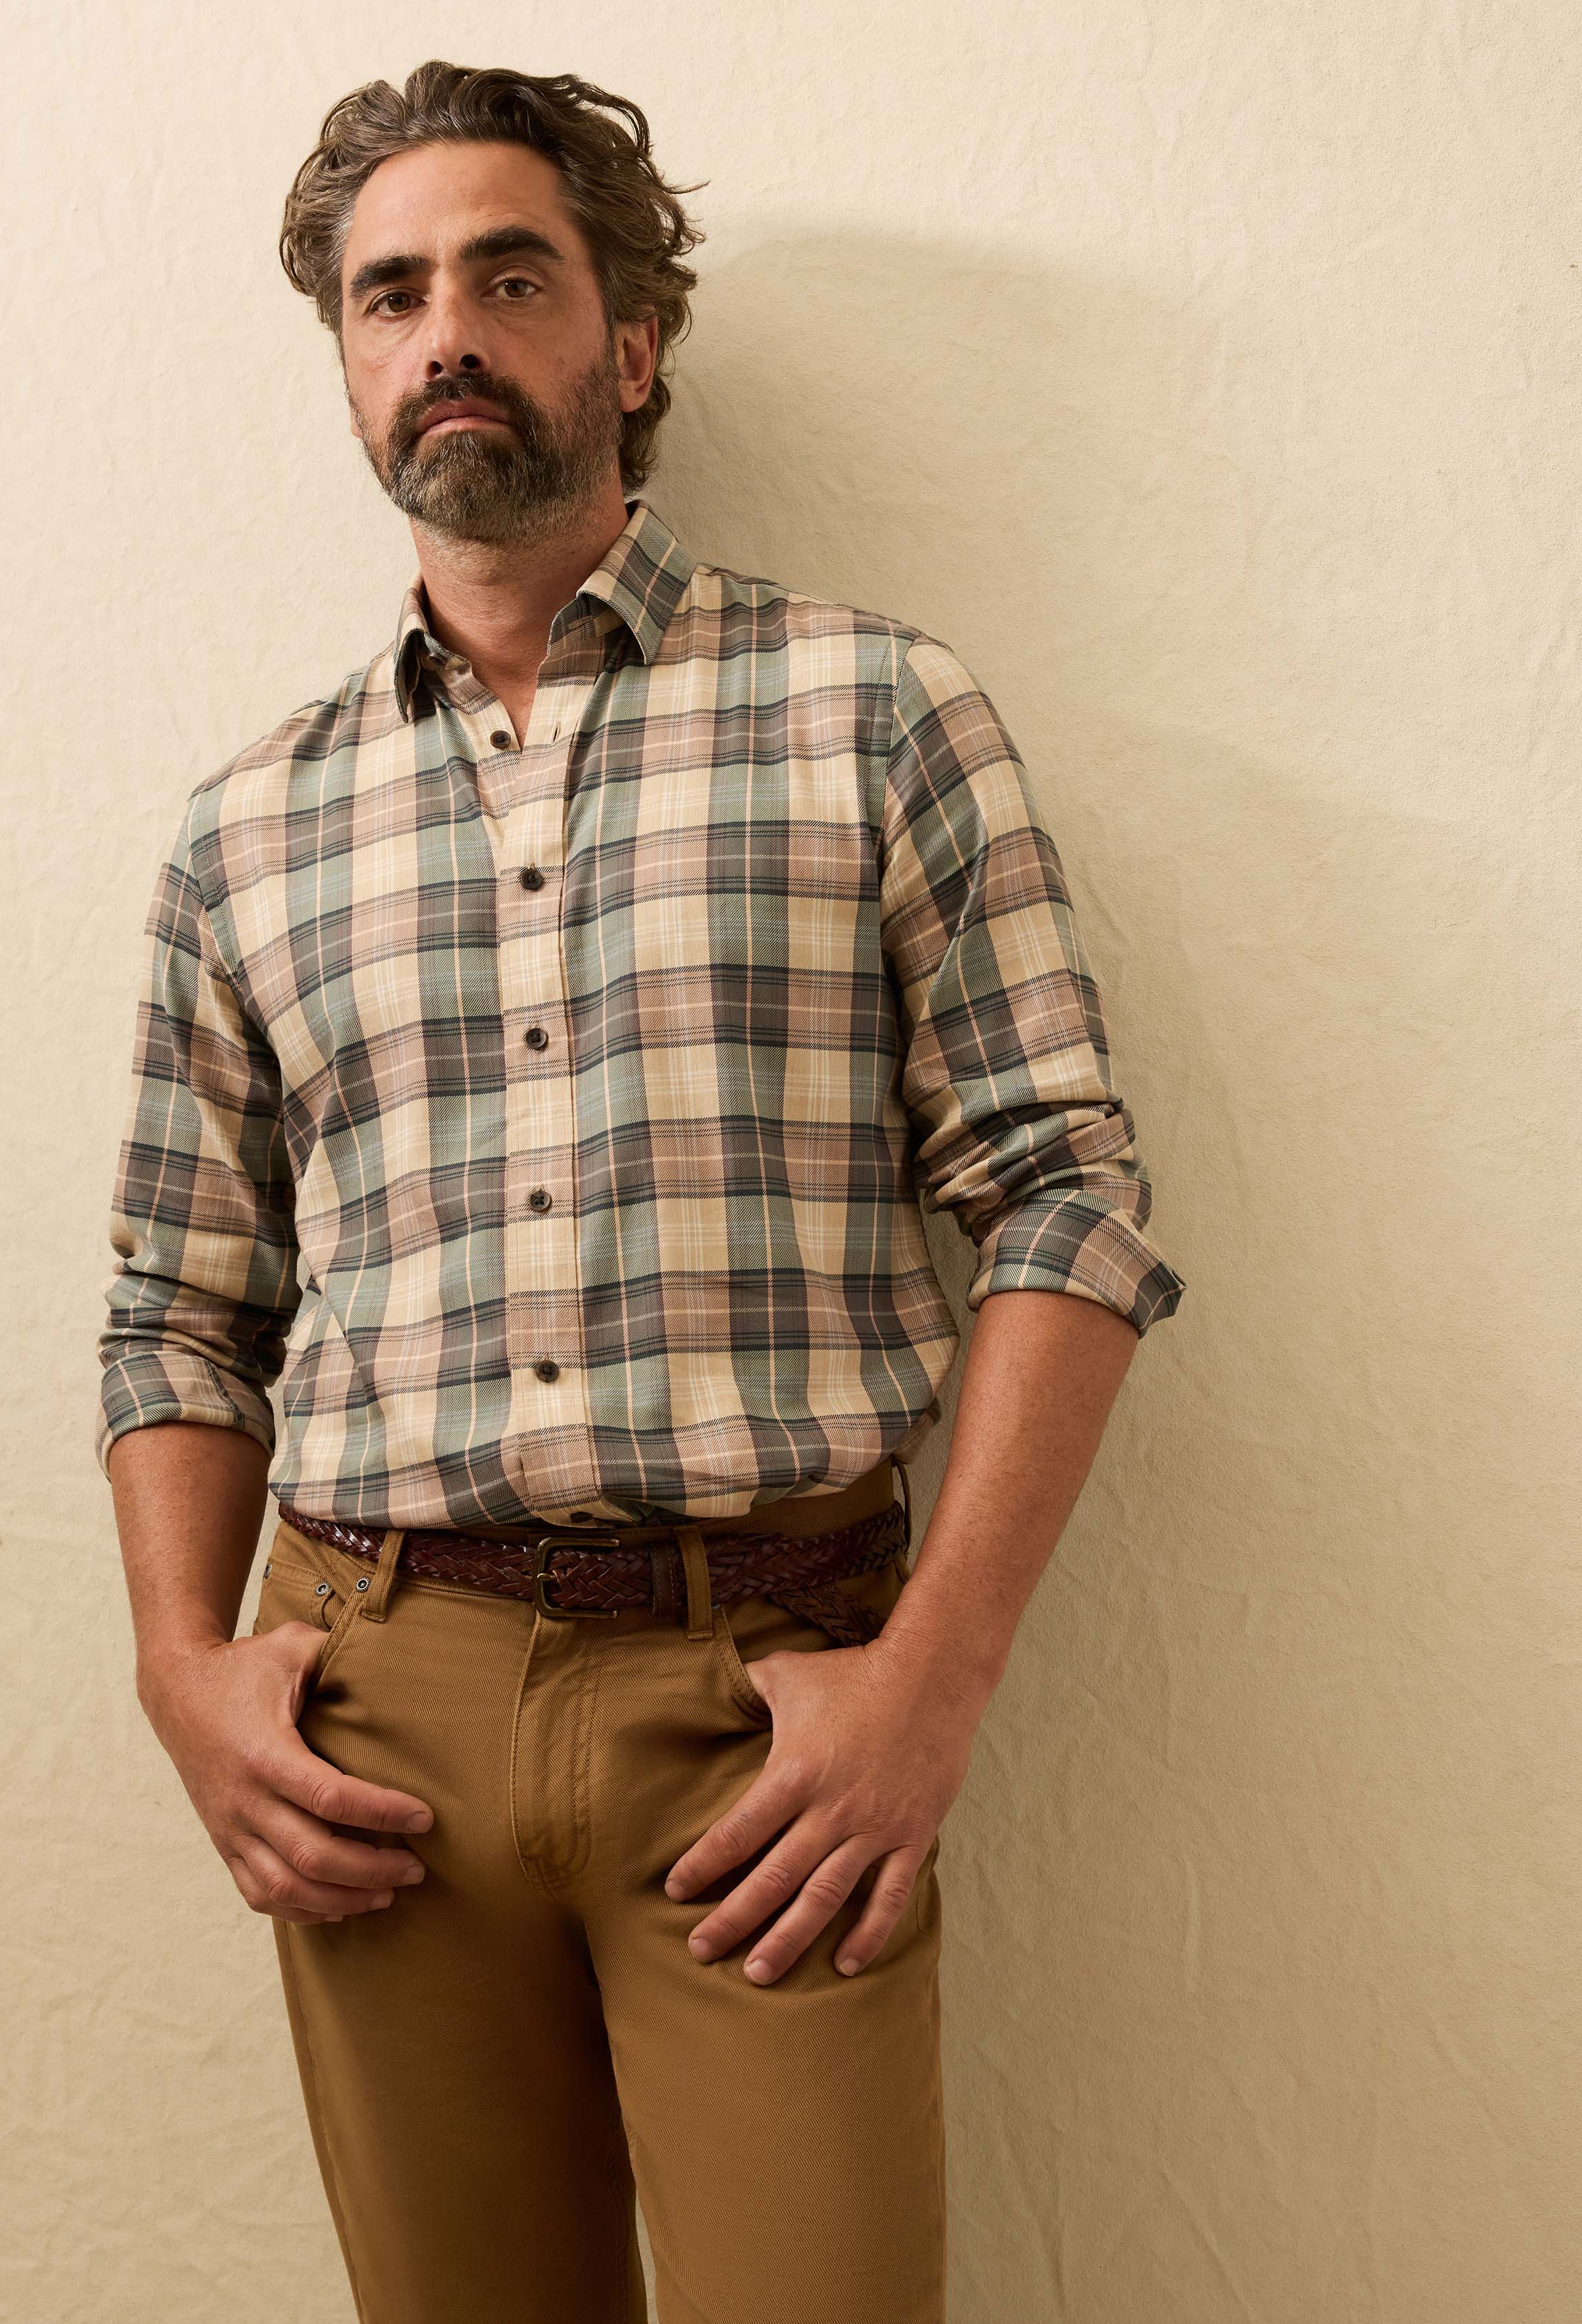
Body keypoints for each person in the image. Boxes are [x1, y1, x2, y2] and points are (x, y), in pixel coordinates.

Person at [96, 59, 1187, 2324]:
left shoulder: (870, 712)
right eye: (389, 296)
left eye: (511, 273)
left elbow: (1065, 1197)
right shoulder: (247, 827)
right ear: (348, 361)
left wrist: (931, 1681)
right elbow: (176, 1311)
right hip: (371, 1712)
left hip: (763, 1696)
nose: (445, 334)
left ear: (632, 339)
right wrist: (177, 1676)